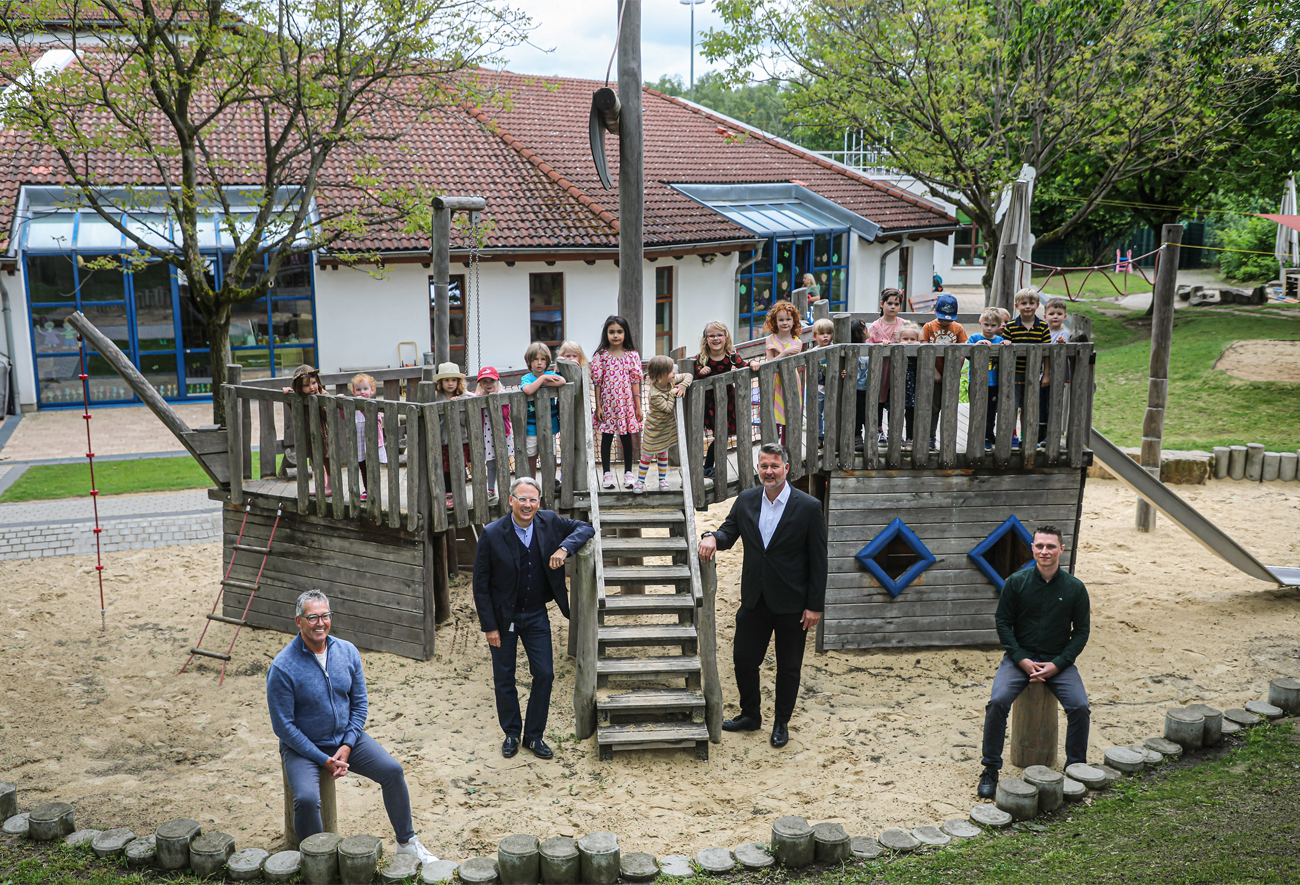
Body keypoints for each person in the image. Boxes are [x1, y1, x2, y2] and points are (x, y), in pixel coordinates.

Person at [267, 589, 438, 865]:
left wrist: (347, 744)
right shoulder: (283, 667)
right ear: (298, 621)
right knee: (308, 799)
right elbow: (283, 727)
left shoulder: (347, 651)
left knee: (393, 772)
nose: (320, 623)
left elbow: (359, 706)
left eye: (325, 616)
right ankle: (315, 860)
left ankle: (407, 843)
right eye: (312, 617)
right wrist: (322, 759)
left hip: (347, 739)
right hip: (302, 748)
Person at [697, 443, 828, 748]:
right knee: (743, 659)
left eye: (775, 466)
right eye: (764, 466)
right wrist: (711, 537)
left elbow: (819, 560)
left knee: (789, 666)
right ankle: (750, 715)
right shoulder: (746, 499)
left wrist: (814, 606)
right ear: (759, 468)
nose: (769, 472)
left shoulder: (808, 507)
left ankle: (781, 722)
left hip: (793, 603)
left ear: (787, 468)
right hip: (754, 598)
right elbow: (728, 533)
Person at [472, 477, 595, 759]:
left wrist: (565, 549)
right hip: (503, 619)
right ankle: (512, 733)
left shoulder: (549, 522)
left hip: (537, 615)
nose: (527, 505)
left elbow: (586, 528)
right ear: (511, 500)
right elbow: (480, 585)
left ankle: (534, 736)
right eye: (522, 499)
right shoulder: (491, 534)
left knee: (545, 674)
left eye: (533, 500)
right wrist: (489, 626)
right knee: (504, 677)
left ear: (539, 503)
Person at [977, 525, 1090, 799]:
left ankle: (1075, 767)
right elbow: (1003, 623)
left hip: (1057, 661)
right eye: (1039, 546)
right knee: (997, 703)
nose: (1044, 551)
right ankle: (990, 769)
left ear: (1061, 549)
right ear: (1032, 548)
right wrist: (1020, 659)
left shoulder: (1075, 588)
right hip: (1020, 659)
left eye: (1051, 546)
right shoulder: (1016, 582)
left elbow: (1082, 632)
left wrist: (1059, 664)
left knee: (1079, 707)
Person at [693, 321, 757, 479]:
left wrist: (753, 364)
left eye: (719, 335)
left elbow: (744, 365)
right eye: (711, 335)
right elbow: (694, 376)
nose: (716, 338)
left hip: (728, 400)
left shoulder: (731, 356)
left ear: (726, 338)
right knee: (718, 433)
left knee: (725, 432)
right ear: (706, 339)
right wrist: (701, 373)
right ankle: (707, 466)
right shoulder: (702, 358)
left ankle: (708, 466)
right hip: (709, 402)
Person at [590, 315, 643, 489]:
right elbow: (597, 382)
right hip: (607, 405)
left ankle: (629, 473)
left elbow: (635, 382)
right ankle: (606, 474)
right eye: (611, 332)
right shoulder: (601, 356)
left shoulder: (632, 355)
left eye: (619, 332)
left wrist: (637, 406)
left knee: (627, 438)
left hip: (626, 405)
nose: (615, 335)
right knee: (606, 438)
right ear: (606, 334)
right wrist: (598, 406)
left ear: (625, 333)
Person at [634, 355, 692, 492]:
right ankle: (640, 481)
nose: (674, 373)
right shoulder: (655, 394)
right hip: (653, 429)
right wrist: (672, 394)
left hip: (666, 429)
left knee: (663, 453)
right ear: (661, 376)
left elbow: (688, 375)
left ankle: (662, 479)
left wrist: (683, 385)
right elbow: (667, 408)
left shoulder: (671, 381)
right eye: (671, 371)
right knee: (647, 455)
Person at [1003, 288, 1052, 446]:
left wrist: (1046, 374)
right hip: (1013, 373)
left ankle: (1027, 437)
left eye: (1031, 303)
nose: (1028, 306)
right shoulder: (1011, 326)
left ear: (1038, 305)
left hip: (1033, 374)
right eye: (1024, 303)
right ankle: (1012, 437)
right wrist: (1005, 343)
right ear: (1017, 306)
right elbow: (1003, 345)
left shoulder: (1043, 327)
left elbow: (1047, 353)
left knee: (1029, 407)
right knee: (1013, 407)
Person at [921, 293, 968, 447]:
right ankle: (930, 436)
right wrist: (934, 372)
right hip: (933, 374)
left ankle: (948, 437)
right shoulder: (929, 327)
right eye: (942, 318)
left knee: (949, 407)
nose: (945, 322)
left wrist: (954, 371)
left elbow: (963, 351)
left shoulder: (958, 328)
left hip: (950, 375)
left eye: (948, 319)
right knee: (932, 407)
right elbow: (924, 349)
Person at [466, 367, 512, 504]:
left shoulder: (502, 395)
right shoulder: (478, 397)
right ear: (480, 384)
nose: (488, 384)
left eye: (491, 380)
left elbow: (505, 414)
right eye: (485, 381)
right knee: (490, 463)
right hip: (486, 435)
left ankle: (506, 490)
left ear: (497, 381)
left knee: (503, 462)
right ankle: (491, 490)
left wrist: (495, 400)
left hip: (501, 434)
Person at [520, 342, 565, 479]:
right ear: (529, 361)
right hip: (531, 426)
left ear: (547, 361)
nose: (539, 363)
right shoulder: (527, 378)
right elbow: (528, 390)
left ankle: (551, 481)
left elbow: (562, 381)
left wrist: (544, 378)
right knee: (531, 455)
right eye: (535, 359)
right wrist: (544, 379)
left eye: (543, 359)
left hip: (549, 425)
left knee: (550, 454)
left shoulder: (550, 374)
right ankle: (532, 482)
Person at [967, 308, 1010, 449]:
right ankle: (977, 436)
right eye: (986, 324)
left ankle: (988, 435)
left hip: (994, 383)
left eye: (993, 325)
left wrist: (1006, 345)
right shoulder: (974, 338)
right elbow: (966, 353)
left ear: (998, 326)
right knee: (977, 410)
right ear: (980, 323)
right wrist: (976, 346)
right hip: (977, 383)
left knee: (991, 412)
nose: (989, 328)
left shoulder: (1000, 340)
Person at [868, 288, 905, 444]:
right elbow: (868, 345)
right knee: (879, 399)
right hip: (880, 369)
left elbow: (913, 339)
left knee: (896, 399)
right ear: (882, 304)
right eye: (889, 303)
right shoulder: (876, 326)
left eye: (896, 304)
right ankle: (878, 430)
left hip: (898, 369)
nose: (892, 307)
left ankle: (894, 431)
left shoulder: (903, 324)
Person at [763, 301, 803, 445]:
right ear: (775, 321)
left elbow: (793, 363)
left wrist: (779, 351)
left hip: (792, 381)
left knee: (789, 413)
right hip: (776, 382)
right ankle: (774, 448)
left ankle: (787, 448)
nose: (784, 322)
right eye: (781, 320)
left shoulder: (797, 342)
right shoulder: (770, 339)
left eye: (788, 319)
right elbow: (769, 363)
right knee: (775, 415)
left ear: (794, 322)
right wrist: (785, 352)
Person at [289, 364, 331, 496]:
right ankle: (321, 484)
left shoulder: (324, 395)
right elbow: (294, 409)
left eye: (314, 383)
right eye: (306, 385)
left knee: (326, 459)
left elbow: (327, 415)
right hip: (308, 435)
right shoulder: (300, 398)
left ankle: (331, 485)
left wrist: (320, 400)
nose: (312, 387)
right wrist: (289, 394)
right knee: (314, 460)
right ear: (299, 387)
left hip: (322, 433)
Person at [431, 362, 467, 510]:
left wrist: (459, 406)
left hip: (461, 438)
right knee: (446, 467)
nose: (450, 383)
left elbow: (465, 420)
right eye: (447, 380)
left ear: (458, 382)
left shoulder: (464, 396)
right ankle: (448, 494)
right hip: (443, 439)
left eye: (453, 380)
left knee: (460, 465)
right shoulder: (436, 398)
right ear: (441, 382)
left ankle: (460, 493)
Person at [349, 373, 387, 501]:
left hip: (372, 442)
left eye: (365, 389)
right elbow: (344, 416)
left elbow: (374, 421)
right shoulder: (353, 405)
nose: (362, 392)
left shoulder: (373, 405)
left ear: (372, 390)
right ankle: (367, 489)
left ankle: (373, 489)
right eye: (358, 389)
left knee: (372, 467)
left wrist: (364, 409)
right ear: (354, 392)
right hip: (360, 442)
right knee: (363, 467)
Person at [807, 317, 836, 439]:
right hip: (818, 386)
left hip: (833, 385)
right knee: (817, 412)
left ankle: (830, 434)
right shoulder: (813, 352)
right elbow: (809, 370)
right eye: (822, 334)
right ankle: (819, 435)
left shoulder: (835, 349)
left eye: (828, 333)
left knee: (830, 411)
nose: (825, 336)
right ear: (815, 336)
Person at [896, 320, 921, 446]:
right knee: (896, 411)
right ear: (899, 339)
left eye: (912, 339)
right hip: (898, 386)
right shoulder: (896, 349)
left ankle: (910, 438)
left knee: (911, 413)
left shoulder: (920, 351)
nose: (909, 342)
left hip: (913, 387)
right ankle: (894, 436)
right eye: (905, 338)